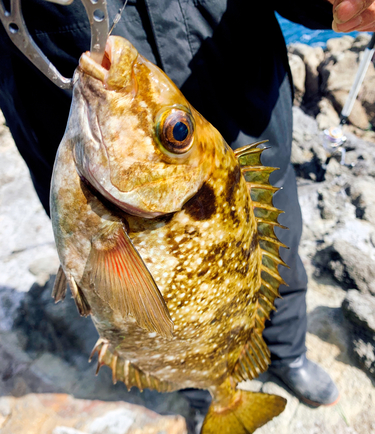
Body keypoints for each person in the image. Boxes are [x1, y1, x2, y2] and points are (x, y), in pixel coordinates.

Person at [0, 0, 374, 409]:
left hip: (236, 79)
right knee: (158, 331)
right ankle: (200, 393)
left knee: (277, 254)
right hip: (49, 78)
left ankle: (288, 352)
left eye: (174, 131)